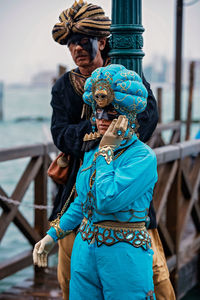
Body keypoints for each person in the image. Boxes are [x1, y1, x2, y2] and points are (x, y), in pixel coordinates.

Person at [48, 1, 175, 299]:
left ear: (102, 41)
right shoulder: (63, 87)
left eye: (83, 42)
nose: (77, 49)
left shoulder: (129, 80)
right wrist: (100, 135)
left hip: (126, 190)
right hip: (78, 191)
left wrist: (104, 137)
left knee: (156, 279)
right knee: (70, 277)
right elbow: (60, 135)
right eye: (70, 44)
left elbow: (145, 124)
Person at [33, 64, 158, 299]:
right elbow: (83, 201)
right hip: (84, 251)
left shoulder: (142, 158)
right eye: (97, 112)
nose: (100, 119)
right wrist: (52, 236)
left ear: (126, 115)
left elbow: (107, 200)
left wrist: (107, 151)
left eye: (109, 112)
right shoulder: (93, 151)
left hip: (124, 256)